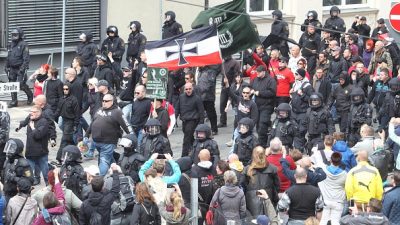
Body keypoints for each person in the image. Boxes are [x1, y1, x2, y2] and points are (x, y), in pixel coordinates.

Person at [85, 94, 131, 176]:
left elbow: (126, 125)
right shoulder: (99, 110)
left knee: (104, 160)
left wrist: (131, 135)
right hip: (96, 141)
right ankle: (118, 172)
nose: (104, 103)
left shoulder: (117, 112)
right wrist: (86, 135)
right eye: (103, 101)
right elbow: (92, 123)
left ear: (112, 102)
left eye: (106, 101)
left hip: (108, 142)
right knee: (108, 159)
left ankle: (99, 180)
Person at [241, 146, 280, 216]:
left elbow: (243, 185)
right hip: (268, 197)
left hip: (252, 200)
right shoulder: (272, 168)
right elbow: (277, 185)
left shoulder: (247, 169)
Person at [5, 27, 33, 107]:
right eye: (13, 34)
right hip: (12, 68)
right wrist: (6, 66)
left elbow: (26, 58)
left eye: (15, 34)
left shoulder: (24, 44)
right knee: (12, 84)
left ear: (20, 35)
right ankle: (14, 101)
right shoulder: (10, 44)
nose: (14, 36)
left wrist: (23, 68)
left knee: (21, 84)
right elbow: (8, 56)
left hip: (20, 67)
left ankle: (30, 95)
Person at [54, 83, 81, 165]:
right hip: (63, 120)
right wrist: (52, 118)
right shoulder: (62, 98)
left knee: (65, 140)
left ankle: (60, 158)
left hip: (70, 122)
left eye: (67, 89)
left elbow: (77, 113)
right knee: (70, 140)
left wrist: (75, 124)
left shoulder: (73, 100)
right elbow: (58, 110)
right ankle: (76, 156)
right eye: (64, 89)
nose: (65, 91)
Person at [175, 83, 205, 157]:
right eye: (186, 89)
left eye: (190, 89)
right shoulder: (181, 97)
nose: (188, 91)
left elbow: (201, 111)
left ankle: (184, 156)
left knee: (186, 139)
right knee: (190, 138)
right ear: (184, 90)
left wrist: (201, 124)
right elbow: (177, 108)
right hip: (184, 121)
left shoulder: (197, 98)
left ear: (192, 89)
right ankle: (195, 150)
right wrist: (174, 119)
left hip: (193, 120)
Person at [251, 66, 277, 147]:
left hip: (267, 106)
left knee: (262, 124)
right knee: (258, 126)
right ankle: (262, 142)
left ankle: (263, 144)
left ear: (263, 72)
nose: (257, 74)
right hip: (256, 106)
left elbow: (272, 92)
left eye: (258, 72)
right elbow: (250, 86)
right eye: (256, 72)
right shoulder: (255, 79)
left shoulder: (271, 80)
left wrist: (260, 93)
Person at [318, 152, 347, 225]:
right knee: (336, 222)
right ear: (340, 161)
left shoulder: (324, 170)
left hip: (325, 200)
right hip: (338, 201)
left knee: (323, 221)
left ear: (331, 160)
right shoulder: (345, 174)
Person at [24, 105, 50, 185]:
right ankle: (28, 187)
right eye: (30, 112)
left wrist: (32, 128)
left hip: (41, 153)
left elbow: (38, 135)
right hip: (30, 153)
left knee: (46, 174)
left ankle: (50, 188)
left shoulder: (44, 122)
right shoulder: (30, 119)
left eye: (33, 112)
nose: (31, 114)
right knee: (28, 174)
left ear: (38, 113)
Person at [190, 149, 215, 225]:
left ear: (199, 156)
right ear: (209, 157)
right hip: (212, 202)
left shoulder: (194, 170)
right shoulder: (214, 169)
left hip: (200, 203)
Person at [219, 56, 241, 128]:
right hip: (224, 87)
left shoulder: (235, 63)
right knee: (222, 104)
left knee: (235, 105)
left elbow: (237, 75)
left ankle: (238, 120)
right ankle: (223, 121)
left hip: (232, 86)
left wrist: (234, 86)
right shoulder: (222, 63)